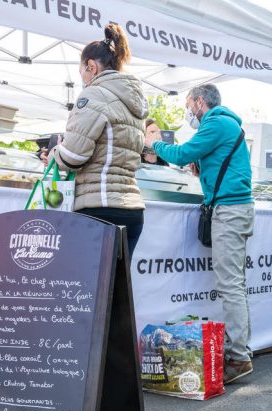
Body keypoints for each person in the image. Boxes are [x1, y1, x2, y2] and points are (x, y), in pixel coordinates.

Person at [151, 84, 255, 384]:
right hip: (236, 210)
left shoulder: (216, 122)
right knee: (235, 284)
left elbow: (182, 154)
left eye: (188, 104)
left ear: (200, 101)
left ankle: (238, 356)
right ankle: (240, 350)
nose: (188, 112)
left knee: (231, 286)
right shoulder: (227, 123)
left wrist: (155, 143)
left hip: (229, 211)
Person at [51, 23, 147, 256]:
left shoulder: (93, 94)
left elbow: (73, 157)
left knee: (88, 288)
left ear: (91, 66)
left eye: (82, 71)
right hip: (132, 209)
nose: (83, 78)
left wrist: (55, 153)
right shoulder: (135, 103)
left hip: (99, 207)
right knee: (117, 289)